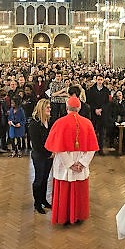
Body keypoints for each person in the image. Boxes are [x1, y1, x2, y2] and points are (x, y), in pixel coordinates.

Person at [44, 96, 99, 225]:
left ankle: (63, 217)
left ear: (66, 107)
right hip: (80, 162)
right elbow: (92, 148)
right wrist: (82, 163)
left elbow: (58, 148)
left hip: (64, 163)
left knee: (64, 191)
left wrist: (70, 164)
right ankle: (79, 215)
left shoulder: (59, 122)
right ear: (79, 108)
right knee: (79, 191)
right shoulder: (87, 123)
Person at [28, 99, 53, 214]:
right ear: (41, 108)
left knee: (45, 178)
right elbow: (37, 144)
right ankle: (37, 203)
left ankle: (44, 200)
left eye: (50, 107)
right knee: (39, 179)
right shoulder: (34, 123)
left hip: (49, 155)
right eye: (47, 107)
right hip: (39, 155)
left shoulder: (49, 121)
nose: (49, 109)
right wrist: (49, 153)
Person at [86, 75, 110, 155]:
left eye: (101, 79)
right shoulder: (91, 90)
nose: (99, 81)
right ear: (96, 80)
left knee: (102, 132)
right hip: (94, 113)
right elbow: (89, 101)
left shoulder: (106, 90)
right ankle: (93, 148)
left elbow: (107, 102)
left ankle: (101, 148)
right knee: (93, 132)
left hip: (103, 113)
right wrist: (95, 109)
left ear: (103, 80)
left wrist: (101, 109)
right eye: (98, 79)